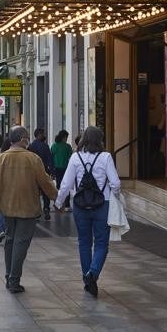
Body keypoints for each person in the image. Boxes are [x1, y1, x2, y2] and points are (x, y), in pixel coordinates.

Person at [0, 126, 57, 294]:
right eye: (26, 138)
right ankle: (14, 280)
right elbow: (45, 182)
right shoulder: (32, 158)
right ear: (22, 139)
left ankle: (8, 276)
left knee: (10, 241)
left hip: (7, 207)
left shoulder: (1, 159)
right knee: (21, 242)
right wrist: (58, 199)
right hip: (28, 207)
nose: (28, 140)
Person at [54, 126, 121, 297]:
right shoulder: (106, 157)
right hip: (102, 205)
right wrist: (116, 197)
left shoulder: (75, 157)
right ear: (100, 139)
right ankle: (93, 274)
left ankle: (87, 278)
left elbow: (66, 184)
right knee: (102, 244)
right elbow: (115, 183)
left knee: (84, 243)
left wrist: (59, 203)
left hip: (80, 206)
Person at [27, 129, 55, 220]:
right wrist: (52, 171)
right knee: (45, 192)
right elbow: (49, 159)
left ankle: (36, 211)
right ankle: (46, 208)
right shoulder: (45, 146)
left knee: (35, 192)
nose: (44, 135)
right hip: (43, 172)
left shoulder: (31, 146)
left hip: (32, 173)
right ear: (39, 135)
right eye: (43, 134)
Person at [51, 130, 73, 209]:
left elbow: (51, 156)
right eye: (66, 137)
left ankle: (58, 203)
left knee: (58, 185)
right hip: (66, 168)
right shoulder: (67, 146)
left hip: (56, 168)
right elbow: (71, 156)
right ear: (64, 137)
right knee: (66, 185)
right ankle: (67, 204)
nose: (67, 139)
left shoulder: (54, 145)